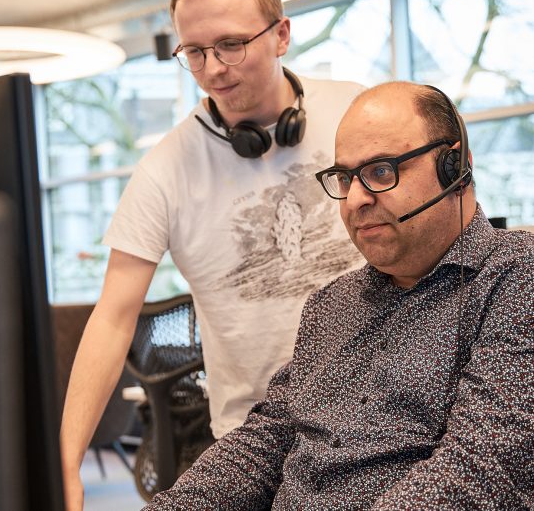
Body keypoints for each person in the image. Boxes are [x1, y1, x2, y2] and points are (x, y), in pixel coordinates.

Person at [60, 0, 366, 510]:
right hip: (255, 444)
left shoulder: (357, 112)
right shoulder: (165, 170)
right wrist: (68, 458)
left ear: (281, 34)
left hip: (380, 413)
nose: (213, 69)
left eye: (231, 44)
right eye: (195, 52)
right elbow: (113, 316)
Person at [142, 81, 534, 510]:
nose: (354, 200)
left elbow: (483, 469)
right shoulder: (330, 305)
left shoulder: (516, 278)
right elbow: (265, 442)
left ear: (455, 166)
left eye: (381, 172)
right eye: (345, 178)